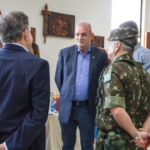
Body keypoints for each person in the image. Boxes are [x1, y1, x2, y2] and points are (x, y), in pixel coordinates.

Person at [0, 11, 50, 150]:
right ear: (25, 34)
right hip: (25, 144)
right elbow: (38, 115)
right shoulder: (38, 65)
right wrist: (7, 145)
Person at [55, 22, 108, 150]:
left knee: (87, 145)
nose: (80, 37)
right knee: (67, 145)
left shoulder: (100, 56)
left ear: (91, 35)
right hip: (68, 108)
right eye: (77, 34)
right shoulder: (64, 53)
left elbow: (103, 81)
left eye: (83, 34)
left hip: (88, 110)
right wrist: (67, 95)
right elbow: (58, 78)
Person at [95, 27, 150, 150]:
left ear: (117, 46)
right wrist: (142, 134)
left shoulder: (113, 70)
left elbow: (118, 111)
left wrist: (136, 135)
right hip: (136, 145)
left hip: (115, 145)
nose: (107, 48)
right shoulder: (143, 73)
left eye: (109, 44)